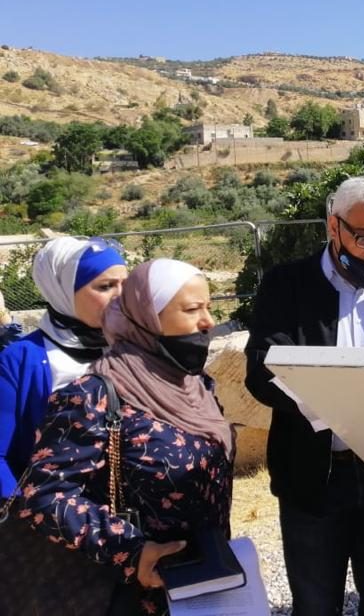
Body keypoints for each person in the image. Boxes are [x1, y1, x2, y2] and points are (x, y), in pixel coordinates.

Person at [245, 176, 364, 616]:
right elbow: (261, 372)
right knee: (315, 606)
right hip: (312, 476)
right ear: (334, 226)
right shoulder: (286, 285)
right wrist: (329, 404)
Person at [20, 258, 231, 615]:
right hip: (134, 591)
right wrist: (131, 550)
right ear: (147, 317)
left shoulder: (196, 387)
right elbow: (43, 494)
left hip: (208, 579)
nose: (208, 322)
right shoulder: (93, 396)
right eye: (192, 309)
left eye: (209, 307)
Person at [0, 236, 127, 498]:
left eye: (126, 284)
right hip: (54, 513)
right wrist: (25, 509)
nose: (120, 296)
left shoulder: (136, 347)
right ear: (63, 291)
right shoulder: (23, 359)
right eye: (106, 286)